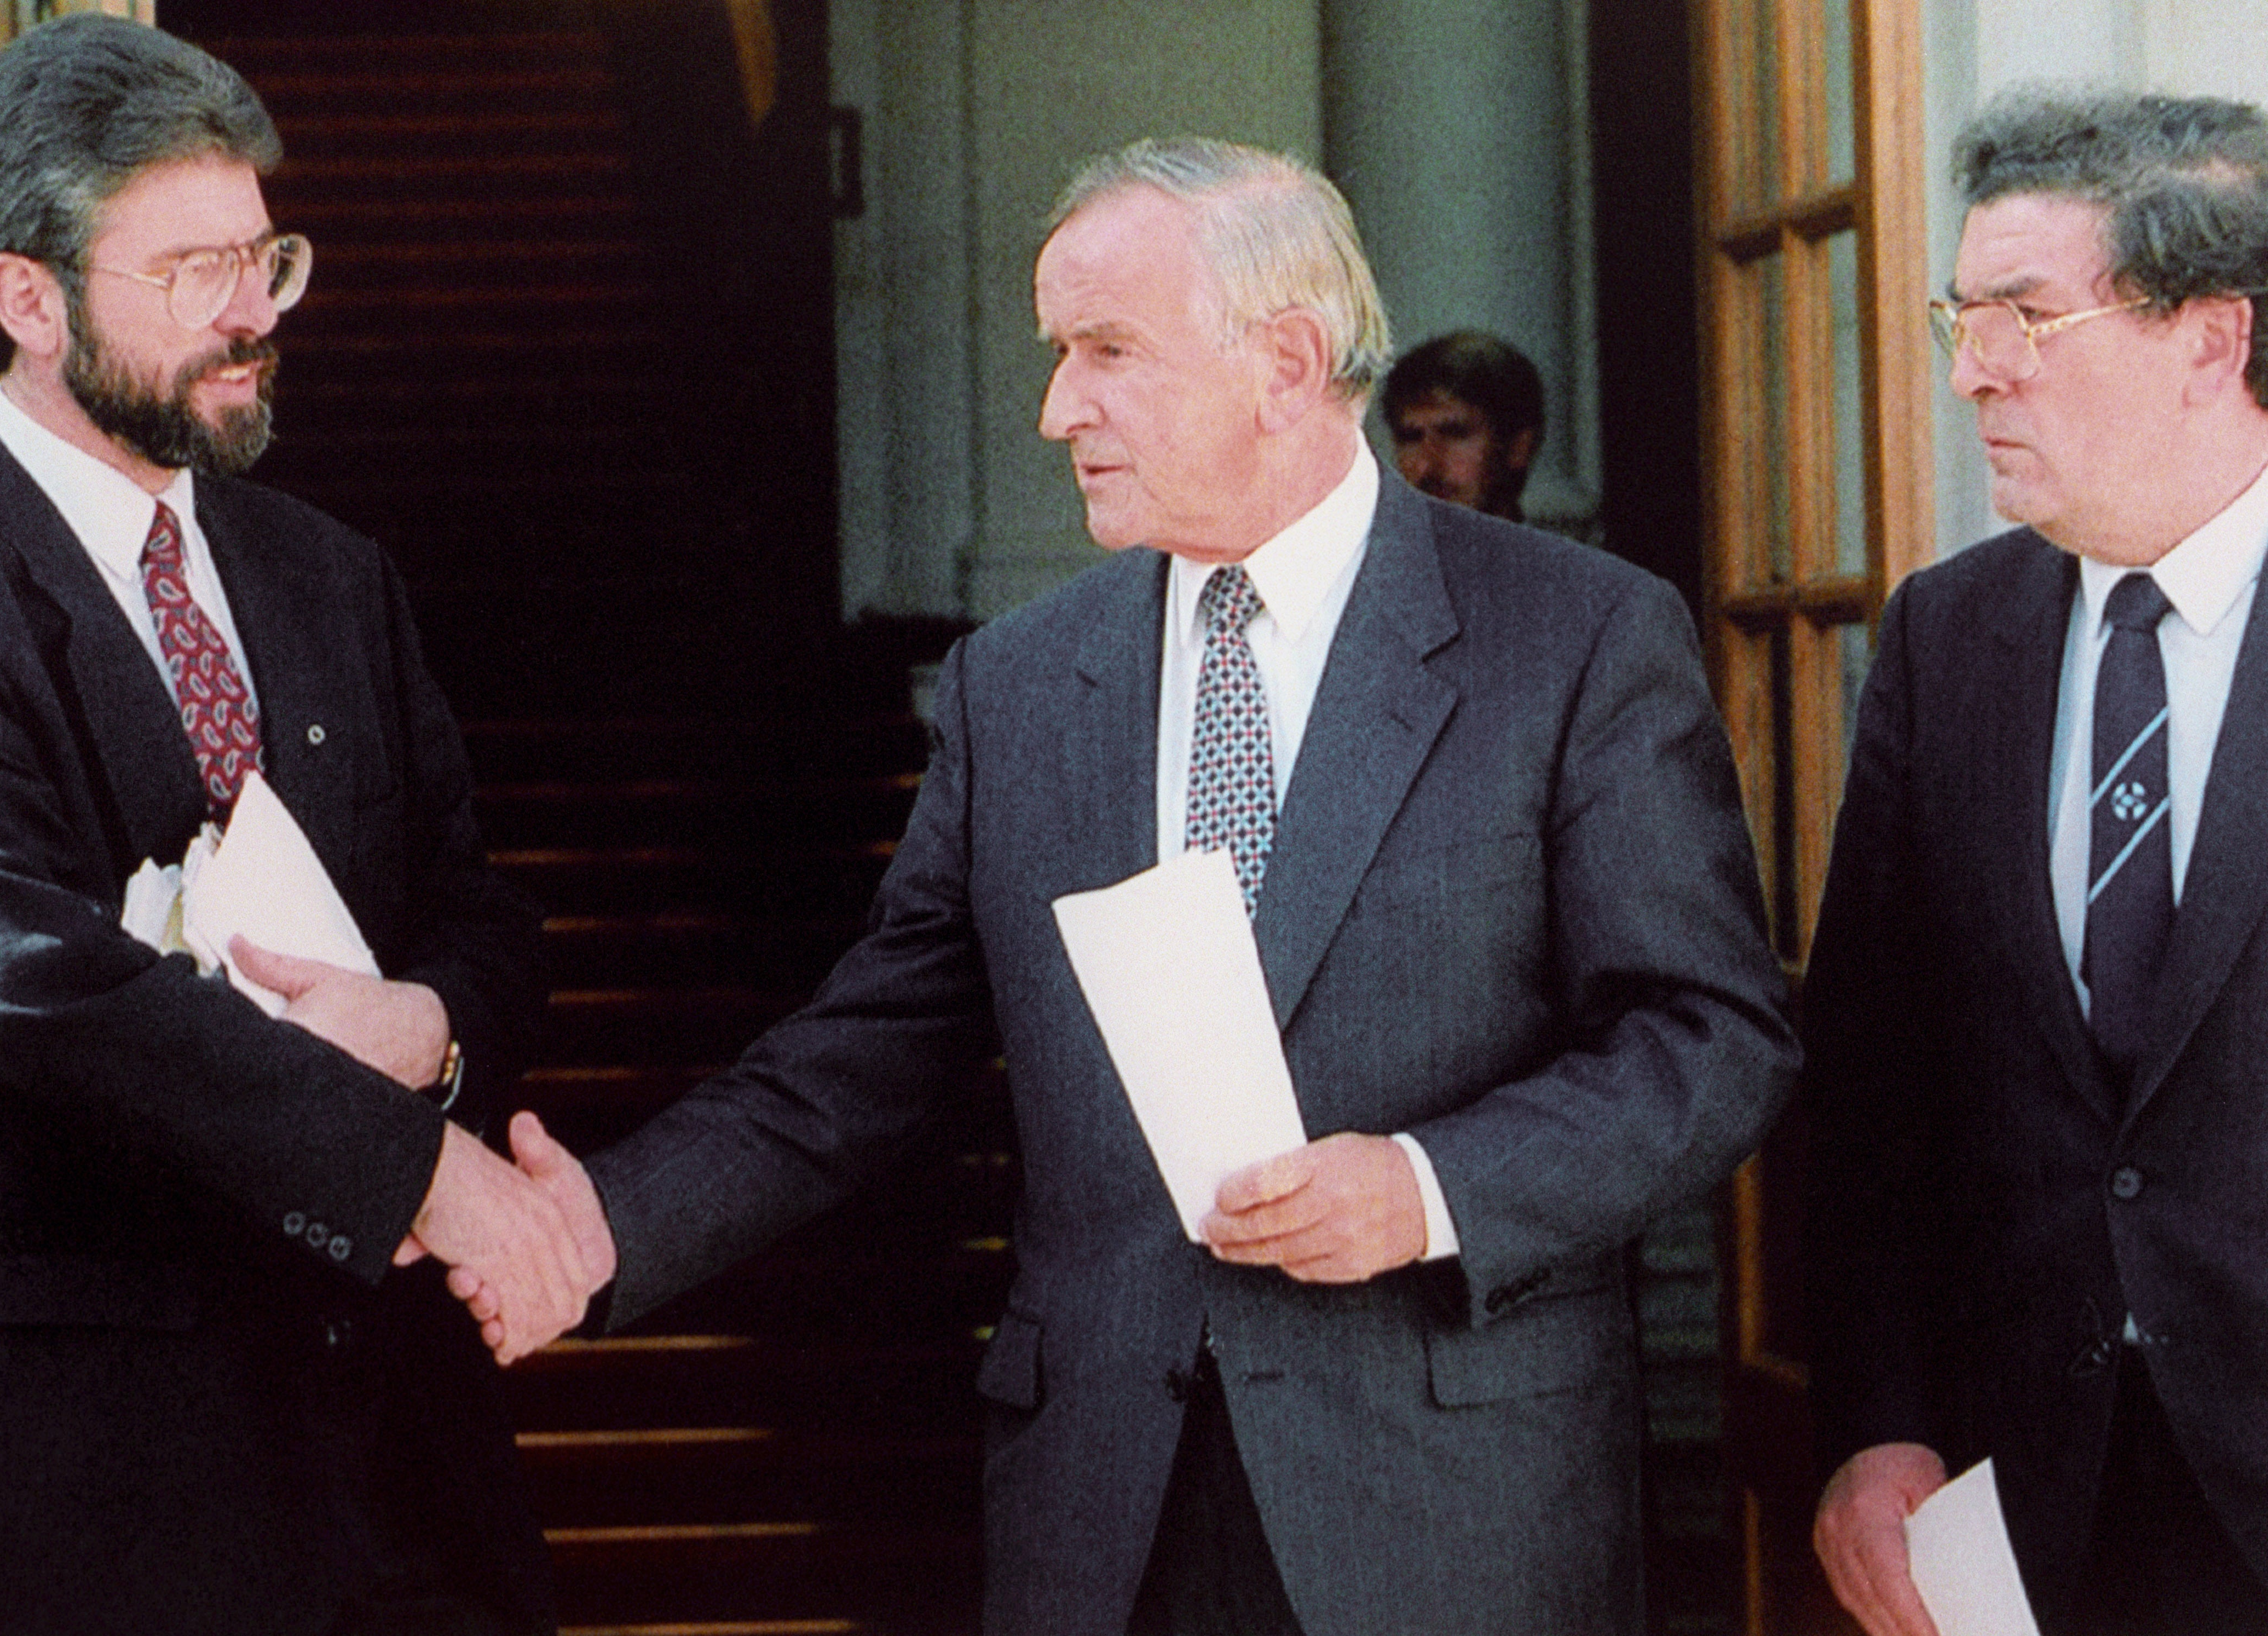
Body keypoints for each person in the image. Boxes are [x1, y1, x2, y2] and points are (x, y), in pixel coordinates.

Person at [530, 138, 1793, 1635]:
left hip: (1452, 1516)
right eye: (1059, 354)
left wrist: (1429, 1186)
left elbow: (1709, 1041)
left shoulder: (1575, 638)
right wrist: (600, 1225)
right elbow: (868, 1047)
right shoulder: (1018, 683)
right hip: (1099, 1517)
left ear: (1285, 359)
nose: (1059, 408)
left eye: (1106, 352)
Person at [0, 18, 601, 1636]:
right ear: (28, 300)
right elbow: (19, 984)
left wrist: (426, 1020)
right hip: (93, 1506)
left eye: (266, 258)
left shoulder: (331, 572)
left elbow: (483, 916)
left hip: (403, 1490)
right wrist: (415, 1173)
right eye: (193, 271)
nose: (255, 314)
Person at [1804, 89, 2268, 1636]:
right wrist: (1872, 1422)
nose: (1964, 371)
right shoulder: (1952, 635)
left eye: (2021, 315)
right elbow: (1871, 1083)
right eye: (1960, 312)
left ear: (2210, 334)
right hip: (2019, 1516)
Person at [1380, 330, 1545, 521]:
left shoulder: (1556, 551)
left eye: (1455, 434)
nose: (1427, 464)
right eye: (1411, 438)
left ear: (1518, 448)